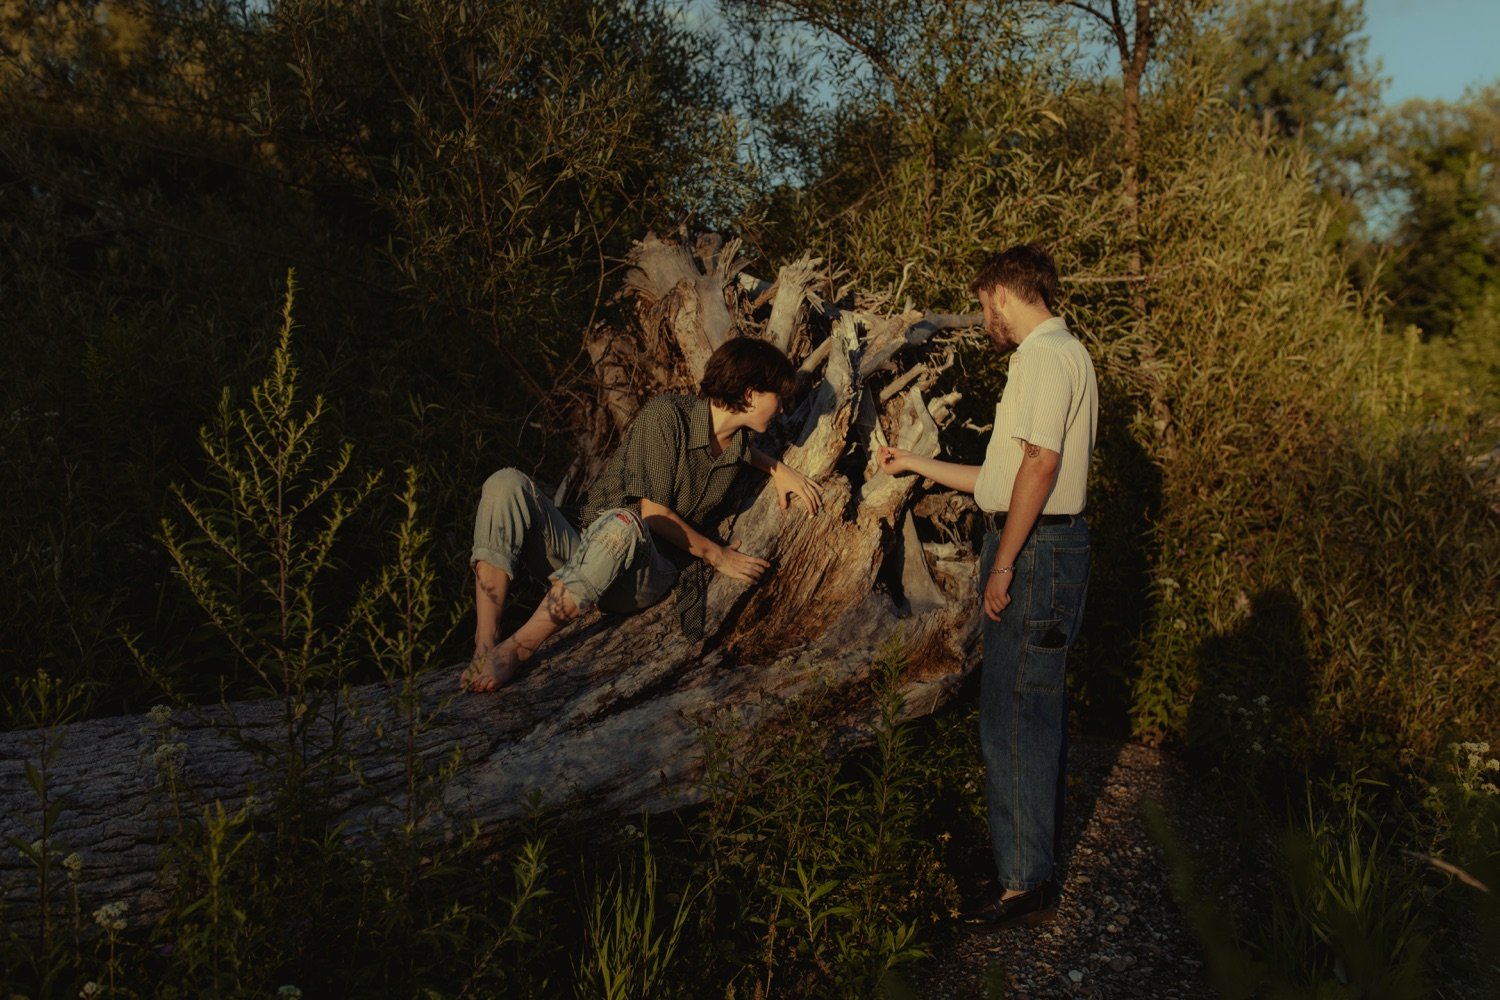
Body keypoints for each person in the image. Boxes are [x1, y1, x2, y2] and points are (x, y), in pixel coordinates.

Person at [878, 244, 1097, 929]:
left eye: (982, 302)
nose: (984, 317)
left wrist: (1003, 561)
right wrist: (912, 461)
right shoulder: (1069, 355)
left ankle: (1023, 882)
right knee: (1033, 708)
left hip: (1034, 548)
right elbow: (1003, 479)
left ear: (1004, 290)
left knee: (1012, 715)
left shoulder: (1039, 356)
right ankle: (1030, 868)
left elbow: (1040, 465)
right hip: (1050, 540)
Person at [461, 337, 822, 692]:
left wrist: (776, 467)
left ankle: (518, 648)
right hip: (584, 536)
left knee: (622, 526)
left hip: (640, 570)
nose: (781, 408)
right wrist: (717, 554)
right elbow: (653, 512)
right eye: (778, 397)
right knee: (504, 483)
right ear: (749, 394)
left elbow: (736, 454)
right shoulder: (667, 416)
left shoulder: (740, 444)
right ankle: (485, 642)